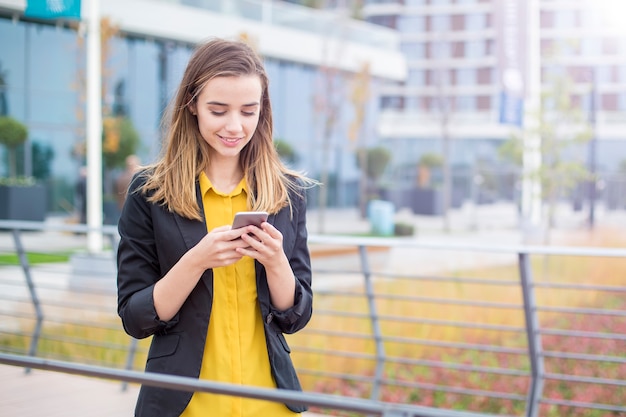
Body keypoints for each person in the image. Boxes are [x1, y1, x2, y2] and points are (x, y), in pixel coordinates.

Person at [116, 38, 316, 417]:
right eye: (218, 110)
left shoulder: (288, 194)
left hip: (271, 405)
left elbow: (297, 316)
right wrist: (196, 261)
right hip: (185, 405)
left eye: (248, 111)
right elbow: (135, 317)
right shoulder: (149, 193)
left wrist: (276, 264)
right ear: (192, 105)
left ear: (263, 110)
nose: (235, 126)